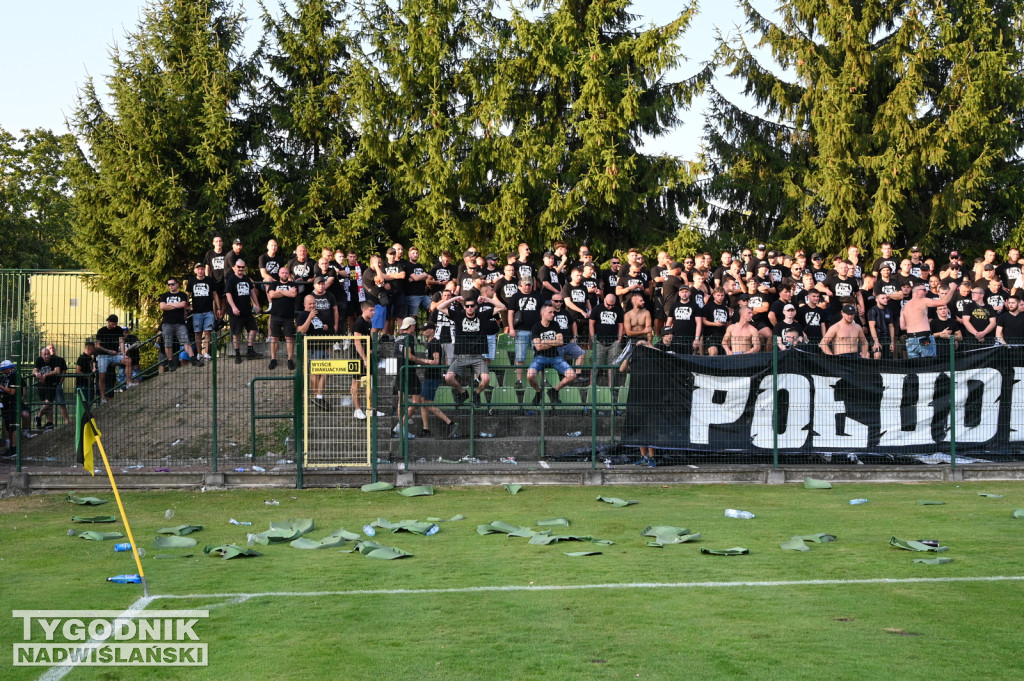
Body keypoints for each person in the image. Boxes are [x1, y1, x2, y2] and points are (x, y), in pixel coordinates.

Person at [436, 293, 492, 405]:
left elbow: (502, 307)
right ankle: (463, 392)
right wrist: (454, 299)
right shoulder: (458, 316)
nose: (470, 308)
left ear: (476, 306)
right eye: (467, 306)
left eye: (472, 305)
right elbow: (439, 307)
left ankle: (476, 394)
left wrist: (486, 299)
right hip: (461, 356)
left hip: (477, 357)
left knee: (486, 379)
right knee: (448, 377)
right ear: (464, 307)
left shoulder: (482, 316)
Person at [526, 301, 577, 404]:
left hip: (555, 357)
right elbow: (538, 347)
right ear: (543, 313)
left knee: (572, 375)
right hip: (540, 357)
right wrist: (553, 342)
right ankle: (538, 392)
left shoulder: (555, 324)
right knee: (530, 375)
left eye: (553, 312)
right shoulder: (536, 327)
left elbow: (561, 342)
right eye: (550, 312)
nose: (553, 314)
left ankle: (554, 391)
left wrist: (544, 341)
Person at [416, 322, 459, 438]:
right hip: (429, 376)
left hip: (432, 377)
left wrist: (420, 361)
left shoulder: (434, 343)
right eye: (422, 329)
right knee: (423, 402)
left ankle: (450, 422)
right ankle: (425, 429)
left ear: (431, 330)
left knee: (426, 402)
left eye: (425, 329)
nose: (423, 331)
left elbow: (435, 361)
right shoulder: (431, 343)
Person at [901, 282, 956, 358]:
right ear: (917, 292)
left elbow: (902, 326)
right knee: (929, 366)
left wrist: (915, 325)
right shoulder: (923, 300)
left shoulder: (905, 306)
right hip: (924, 337)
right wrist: (952, 289)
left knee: (914, 367)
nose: (926, 292)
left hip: (910, 339)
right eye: (924, 290)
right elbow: (943, 302)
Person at [296, 294, 331, 410]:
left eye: (314, 303)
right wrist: (309, 318)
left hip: (322, 347)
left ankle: (319, 396)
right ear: (305, 304)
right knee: (314, 372)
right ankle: (316, 395)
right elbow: (301, 331)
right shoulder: (302, 315)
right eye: (310, 304)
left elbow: (316, 329)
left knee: (326, 371)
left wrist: (324, 327)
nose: (312, 305)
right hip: (312, 348)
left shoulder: (317, 315)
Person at [350, 302, 384, 420]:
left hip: (367, 356)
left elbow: (367, 338)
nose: (373, 312)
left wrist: (370, 350)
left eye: (374, 310)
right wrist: (364, 358)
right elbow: (357, 342)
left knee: (369, 383)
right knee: (357, 383)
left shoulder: (368, 322)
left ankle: (370, 409)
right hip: (357, 358)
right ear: (364, 310)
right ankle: (357, 409)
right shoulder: (359, 323)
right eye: (371, 310)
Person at [224, 259, 262, 363]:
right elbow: (228, 294)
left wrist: (256, 304)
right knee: (236, 333)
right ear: (235, 267)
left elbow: (252, 292)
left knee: (253, 329)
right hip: (235, 312)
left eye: (242, 267)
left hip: (247, 310)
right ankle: (237, 354)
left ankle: (250, 351)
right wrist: (233, 307)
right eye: (239, 267)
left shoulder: (246, 279)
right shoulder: (231, 279)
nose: (241, 269)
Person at [159, 277, 199, 369]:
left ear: (177, 284)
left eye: (172, 284)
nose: (171, 286)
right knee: (168, 343)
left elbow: (183, 304)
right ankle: (170, 362)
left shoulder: (182, 295)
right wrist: (176, 306)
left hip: (180, 323)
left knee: (186, 342)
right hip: (167, 323)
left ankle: (193, 359)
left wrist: (169, 305)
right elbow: (162, 307)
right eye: (169, 284)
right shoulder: (164, 295)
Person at [508, 278, 542, 386]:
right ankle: (519, 380)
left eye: (529, 285)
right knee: (519, 357)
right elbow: (510, 313)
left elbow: (543, 311)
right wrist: (511, 328)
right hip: (520, 330)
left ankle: (542, 380)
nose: (528, 287)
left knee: (539, 356)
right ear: (520, 285)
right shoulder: (515, 297)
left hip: (536, 331)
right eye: (525, 285)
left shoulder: (538, 295)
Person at [95, 314, 135, 402]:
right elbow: (97, 346)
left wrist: (124, 353)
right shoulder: (101, 331)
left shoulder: (119, 329)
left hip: (115, 354)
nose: (115, 326)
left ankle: (129, 383)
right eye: (113, 324)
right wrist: (108, 351)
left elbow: (121, 341)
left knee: (128, 361)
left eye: (115, 324)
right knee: (102, 375)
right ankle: (103, 397)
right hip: (103, 355)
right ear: (108, 322)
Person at [267, 267, 299, 370]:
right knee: (274, 337)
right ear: (279, 274)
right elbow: (271, 294)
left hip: (289, 316)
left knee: (289, 338)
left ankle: (290, 359)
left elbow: (293, 294)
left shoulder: (293, 284)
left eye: (286, 273)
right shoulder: (274, 284)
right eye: (282, 273)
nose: (284, 274)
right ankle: (273, 359)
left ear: (289, 274)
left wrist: (280, 292)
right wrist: (286, 292)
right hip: (275, 315)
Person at [589, 293, 623, 386]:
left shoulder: (618, 309)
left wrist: (619, 339)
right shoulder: (597, 308)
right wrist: (593, 338)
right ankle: (592, 387)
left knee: (612, 366)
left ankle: (610, 388)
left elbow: (620, 325)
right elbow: (591, 323)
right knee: (596, 365)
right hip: (599, 341)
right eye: (608, 305)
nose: (610, 307)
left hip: (613, 341)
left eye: (612, 305)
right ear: (604, 300)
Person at [1, 360, 34, 454]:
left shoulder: (14, 376)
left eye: (4, 370)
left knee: (13, 425)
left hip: (13, 403)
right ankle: (11, 446)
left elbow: (12, 391)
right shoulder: (6, 377)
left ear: (9, 369)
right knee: (8, 424)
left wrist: (1, 387)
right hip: (7, 403)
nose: (3, 372)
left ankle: (14, 448)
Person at [32, 345, 69, 429]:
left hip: (53, 384)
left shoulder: (57, 359)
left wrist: (46, 375)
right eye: (45, 354)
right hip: (42, 385)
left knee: (53, 403)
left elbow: (59, 371)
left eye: (48, 353)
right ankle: (49, 423)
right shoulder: (39, 360)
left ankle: (38, 416)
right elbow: (34, 370)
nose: (47, 355)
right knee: (48, 405)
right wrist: (36, 373)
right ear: (41, 354)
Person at [186, 262, 216, 360]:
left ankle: (206, 353)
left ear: (204, 270)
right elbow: (188, 294)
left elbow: (214, 294)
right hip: (196, 312)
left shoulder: (209, 280)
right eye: (198, 269)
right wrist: (187, 306)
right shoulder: (191, 281)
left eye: (202, 269)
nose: (200, 271)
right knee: (197, 332)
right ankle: (199, 354)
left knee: (207, 332)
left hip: (208, 310)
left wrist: (218, 308)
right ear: (195, 270)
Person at [203, 235, 228, 321]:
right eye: (216, 241)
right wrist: (206, 278)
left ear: (222, 242)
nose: (218, 243)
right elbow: (207, 267)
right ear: (213, 243)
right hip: (214, 279)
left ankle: (221, 318)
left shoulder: (226, 253)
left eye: (220, 241)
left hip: (224, 279)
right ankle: (215, 318)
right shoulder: (209, 253)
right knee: (214, 298)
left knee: (224, 298)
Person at [867, 292, 896, 359]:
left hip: (886, 337)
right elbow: (872, 327)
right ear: (877, 300)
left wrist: (892, 342)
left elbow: (891, 326)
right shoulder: (872, 310)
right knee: (877, 355)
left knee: (886, 357)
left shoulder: (889, 310)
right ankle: (875, 369)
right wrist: (876, 341)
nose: (885, 300)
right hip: (876, 336)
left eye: (886, 298)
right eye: (883, 298)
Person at [75, 340, 96, 405]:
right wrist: (88, 377)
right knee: (84, 404)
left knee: (89, 403)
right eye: (94, 348)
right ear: (91, 349)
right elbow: (78, 371)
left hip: (89, 385)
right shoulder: (82, 358)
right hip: (83, 385)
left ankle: (87, 415)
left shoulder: (90, 358)